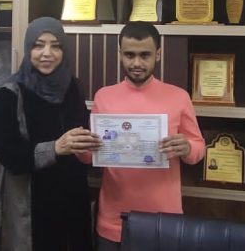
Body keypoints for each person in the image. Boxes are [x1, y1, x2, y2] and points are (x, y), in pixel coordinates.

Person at [82, 22, 206, 250]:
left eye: (145, 55)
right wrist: (82, 148)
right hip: (113, 221)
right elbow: (91, 156)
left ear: (158, 54)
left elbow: (198, 149)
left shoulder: (178, 97)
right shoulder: (104, 97)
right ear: (120, 54)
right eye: (129, 55)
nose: (137, 63)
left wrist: (188, 148)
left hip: (164, 220)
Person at [0, 17, 102, 251]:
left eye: (56, 46)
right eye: (38, 45)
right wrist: (55, 148)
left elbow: (81, 133)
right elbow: (11, 157)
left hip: (72, 200)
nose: (47, 53)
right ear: (28, 49)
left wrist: (94, 142)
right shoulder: (9, 95)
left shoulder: (72, 87)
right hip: (32, 207)